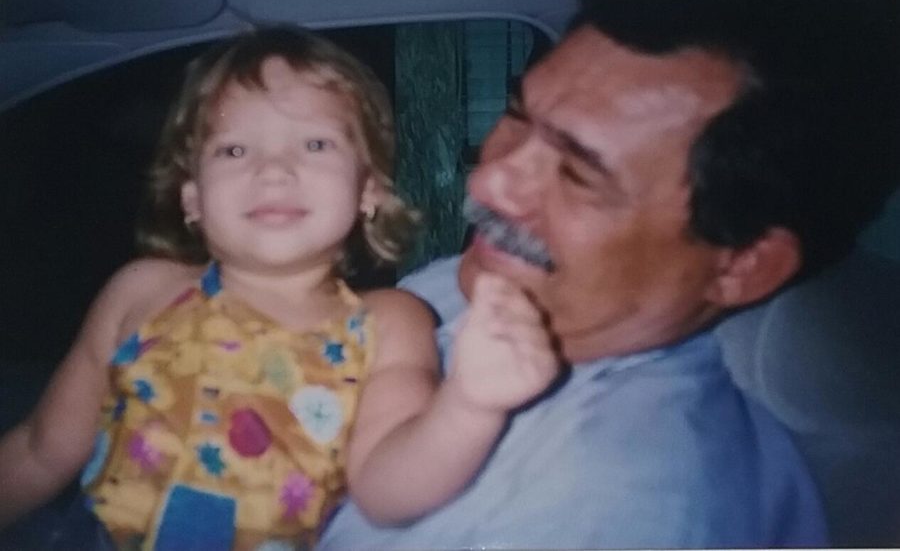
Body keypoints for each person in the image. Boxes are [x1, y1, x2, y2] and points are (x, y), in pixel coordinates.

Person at [320, 0, 900, 548]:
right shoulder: (487, 283)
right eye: (518, 116)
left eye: (577, 173)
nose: (489, 182)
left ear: (740, 266)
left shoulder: (615, 507)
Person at [0, 27, 560, 550]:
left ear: (369, 190)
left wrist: (471, 405)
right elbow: (40, 450)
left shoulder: (388, 322)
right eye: (234, 150)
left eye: (315, 145)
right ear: (193, 198)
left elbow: (386, 490)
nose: (273, 170)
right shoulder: (142, 291)